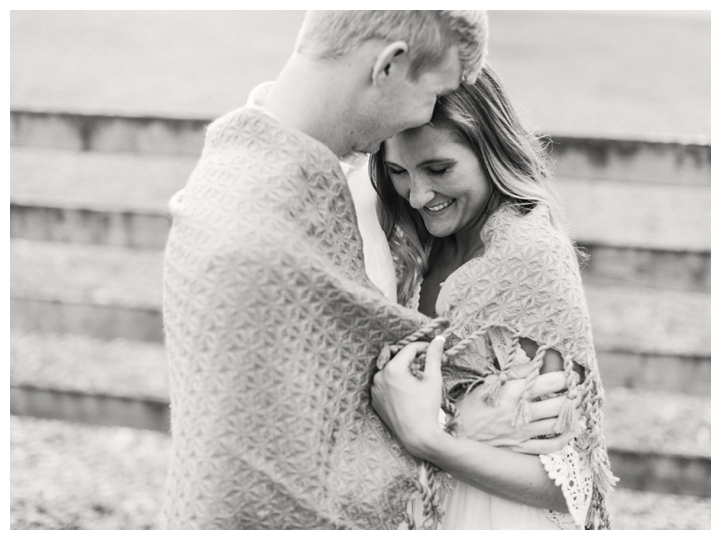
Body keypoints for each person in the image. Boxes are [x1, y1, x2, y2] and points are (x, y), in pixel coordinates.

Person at [162, 11, 571, 530]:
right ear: (389, 66)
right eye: (433, 92)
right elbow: (288, 484)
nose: (421, 119)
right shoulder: (263, 233)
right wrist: (453, 427)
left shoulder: (267, 171)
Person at [369, 65, 616, 529]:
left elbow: (571, 483)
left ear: (491, 149)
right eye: (398, 171)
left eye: (439, 169)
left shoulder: (527, 258)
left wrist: (433, 438)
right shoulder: (410, 241)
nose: (419, 196)